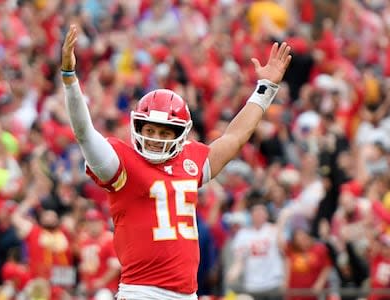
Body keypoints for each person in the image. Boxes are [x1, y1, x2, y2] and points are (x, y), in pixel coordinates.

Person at [60, 24, 292, 300]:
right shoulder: (122, 162)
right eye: (150, 130)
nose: (156, 138)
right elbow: (84, 133)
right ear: (139, 129)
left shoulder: (190, 160)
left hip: (186, 294)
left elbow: (234, 138)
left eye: (164, 132)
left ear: (180, 133)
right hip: (141, 293)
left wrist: (266, 89)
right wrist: (70, 77)